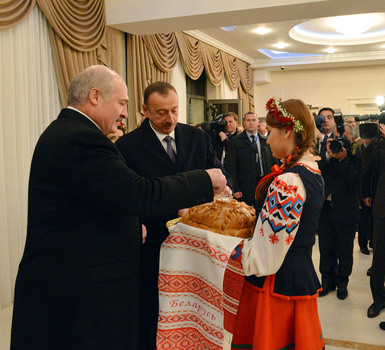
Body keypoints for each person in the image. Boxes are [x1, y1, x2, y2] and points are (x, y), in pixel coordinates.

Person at [10, 66, 226, 350]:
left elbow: (96, 203)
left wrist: (131, 227)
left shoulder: (70, 132)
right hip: (77, 295)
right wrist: (204, 179)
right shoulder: (81, 139)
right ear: (96, 96)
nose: (125, 113)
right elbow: (137, 193)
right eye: (122, 103)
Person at [115, 81, 232, 350]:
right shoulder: (128, 147)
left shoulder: (197, 137)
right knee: (154, 314)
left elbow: (218, 177)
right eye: (161, 113)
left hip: (198, 247)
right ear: (145, 110)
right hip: (154, 249)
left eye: (175, 111)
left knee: (196, 311)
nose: (170, 119)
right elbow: (133, 201)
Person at [230, 97, 325, 350]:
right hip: (294, 277)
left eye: (270, 131)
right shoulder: (311, 170)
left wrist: (228, 248)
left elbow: (265, 254)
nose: (267, 138)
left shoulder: (289, 182)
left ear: (287, 131)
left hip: (276, 285)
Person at [317, 122, 361, 300]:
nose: (338, 142)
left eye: (343, 138)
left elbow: (356, 180)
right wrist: (328, 156)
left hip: (346, 209)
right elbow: (317, 172)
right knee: (325, 247)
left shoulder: (356, 156)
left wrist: (343, 159)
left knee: (345, 249)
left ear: (351, 139)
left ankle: (343, 282)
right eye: (335, 138)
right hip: (326, 209)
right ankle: (326, 281)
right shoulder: (325, 154)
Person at [226, 111, 276, 206]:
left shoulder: (265, 141)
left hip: (263, 185)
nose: (251, 123)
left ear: (258, 122)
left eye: (253, 120)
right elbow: (231, 166)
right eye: (248, 120)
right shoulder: (235, 142)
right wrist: (235, 188)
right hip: (245, 187)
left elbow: (273, 162)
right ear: (244, 123)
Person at [361, 123, 385, 320]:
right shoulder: (378, 144)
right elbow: (367, 168)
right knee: (379, 258)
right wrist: (367, 145)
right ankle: (378, 299)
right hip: (381, 207)